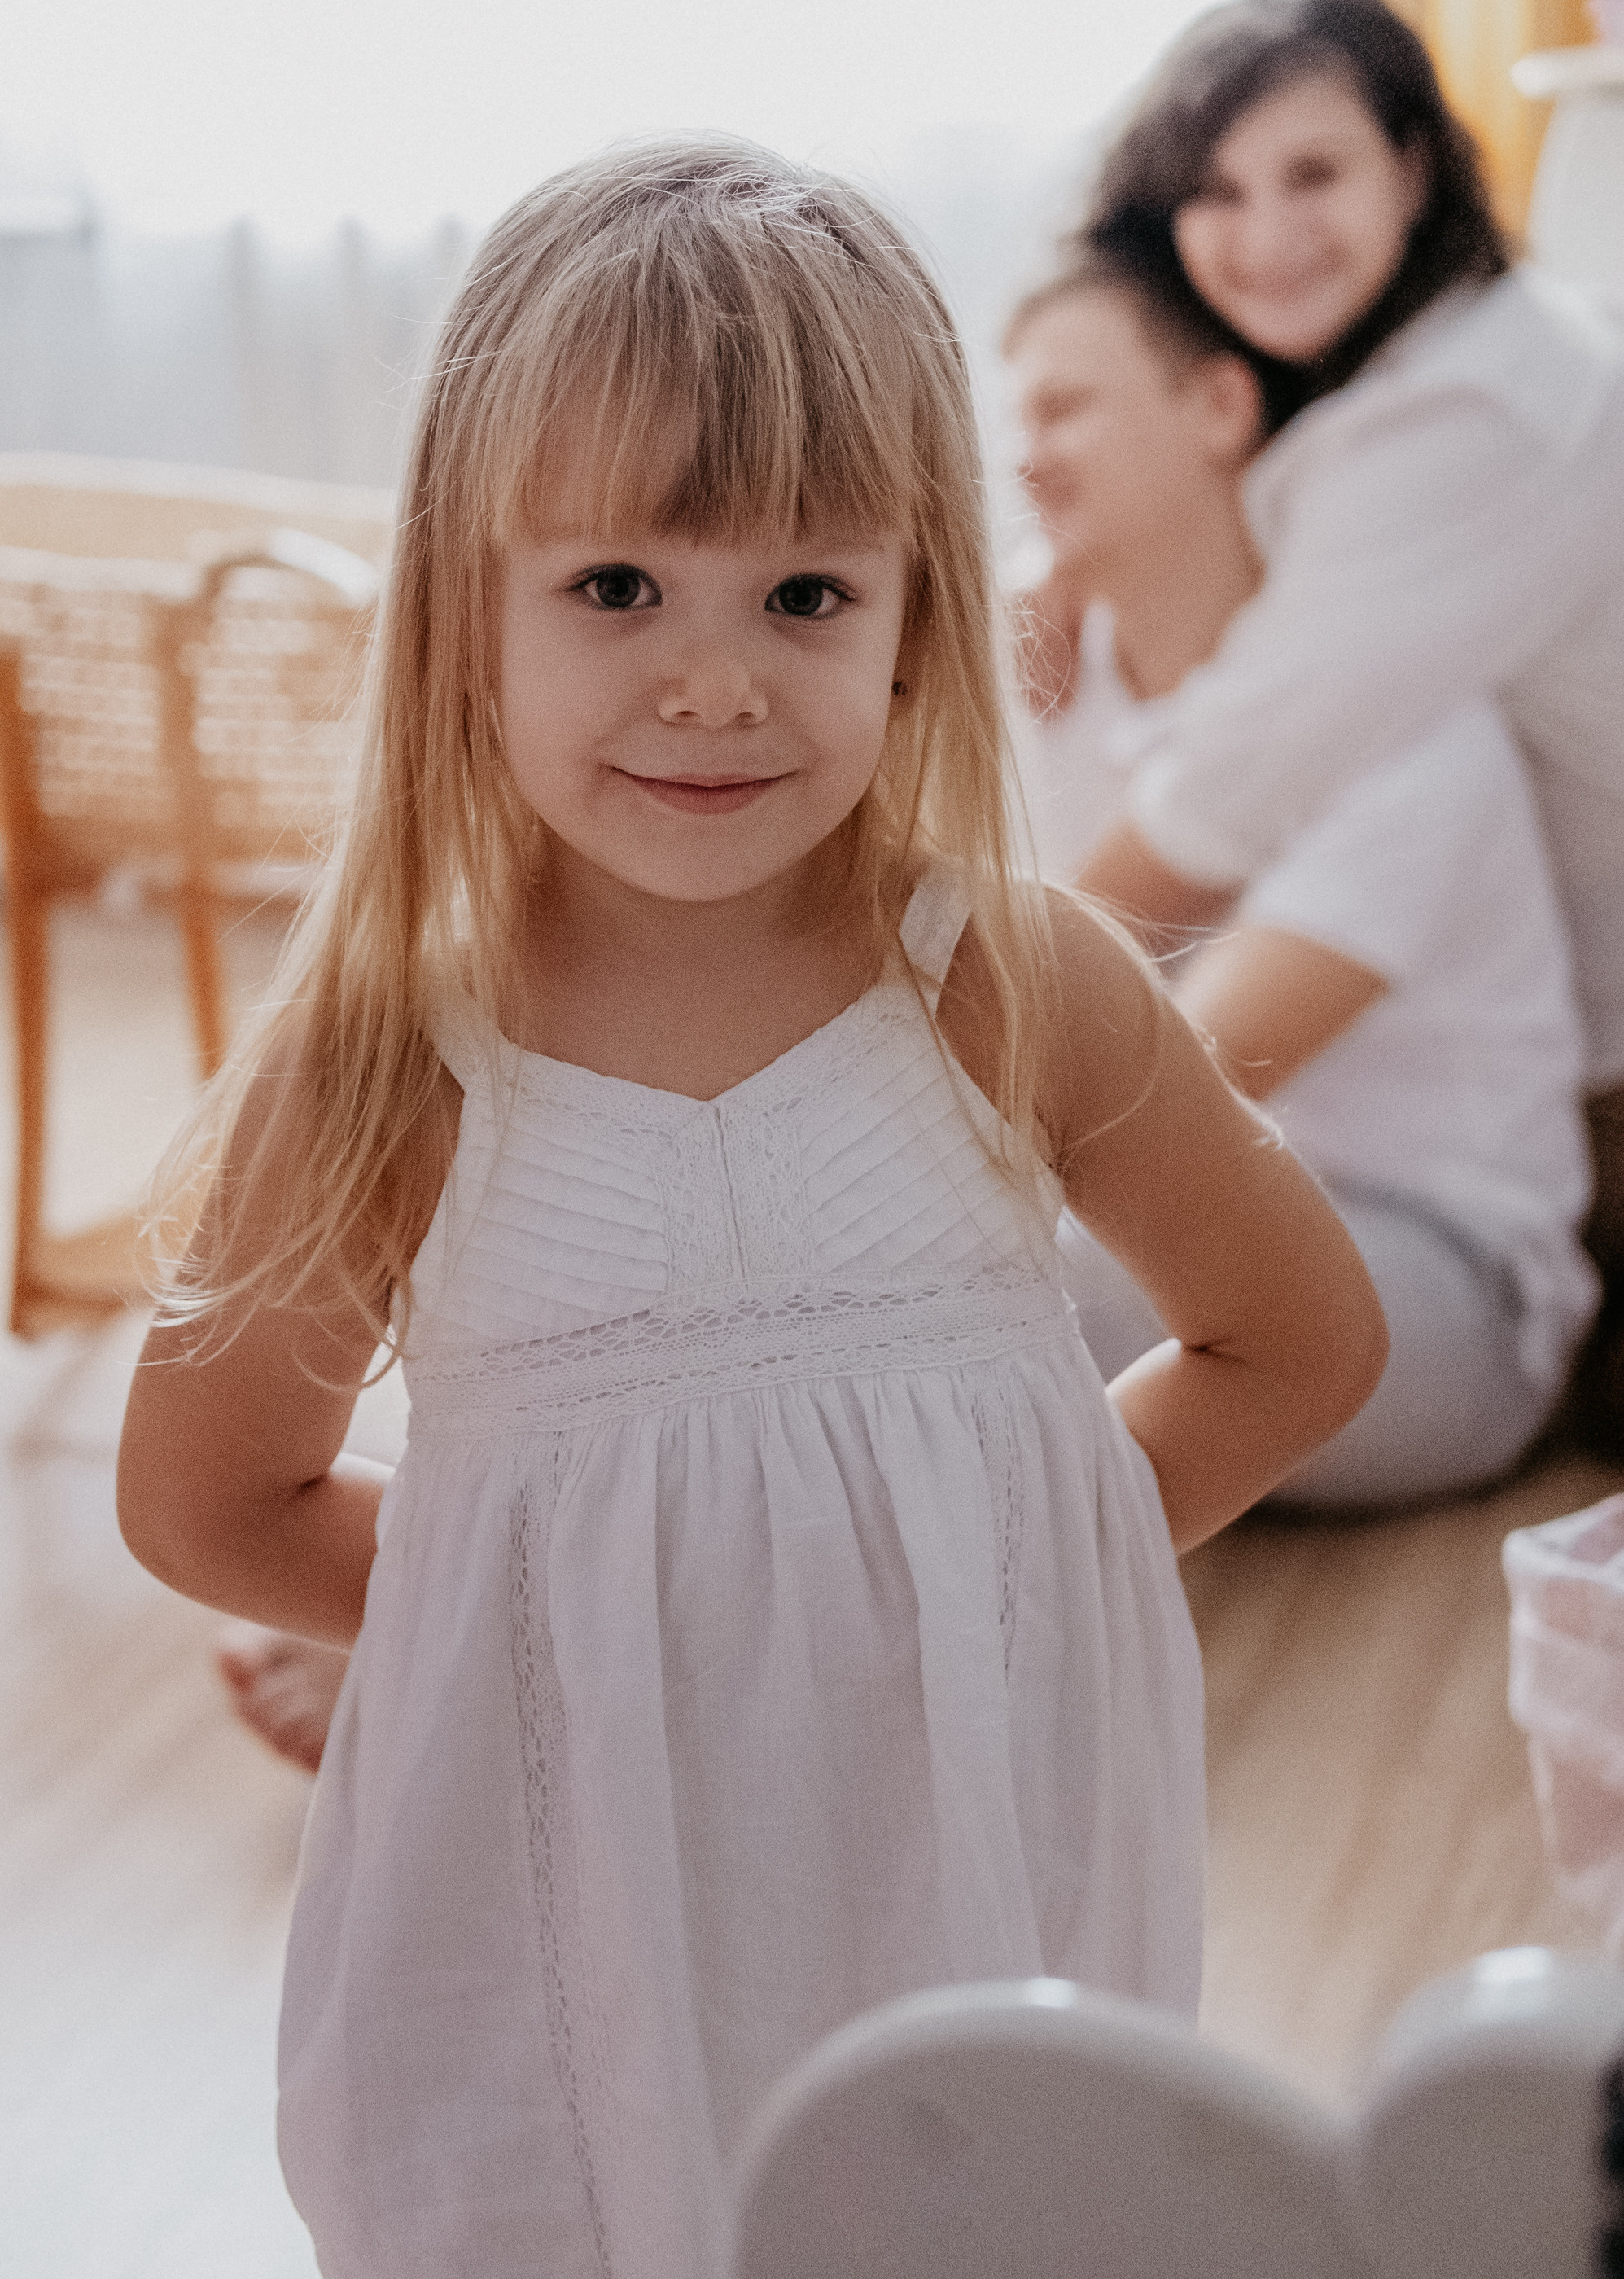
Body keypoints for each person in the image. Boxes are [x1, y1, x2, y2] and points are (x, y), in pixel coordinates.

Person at [116, 142, 1384, 2279]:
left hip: (956, 1877)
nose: (713, 682)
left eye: (804, 595)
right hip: (554, 1894)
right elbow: (209, 1497)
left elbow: (1298, 1344)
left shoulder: (1013, 981)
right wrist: (522, 1630)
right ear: (466, 614)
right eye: (618, 590)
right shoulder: (394, 1050)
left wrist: (999, 1590)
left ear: (913, 627)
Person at [1032, 0, 1624, 1435]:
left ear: (1413, 170)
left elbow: (1225, 791)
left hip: (1510, 1162)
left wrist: (949, 1027)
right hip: (1515, 1065)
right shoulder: (1385, 390)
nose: (1263, 233)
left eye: (1314, 173)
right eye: (1213, 190)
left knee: (1031, 1284)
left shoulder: (1473, 419)